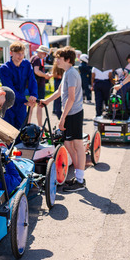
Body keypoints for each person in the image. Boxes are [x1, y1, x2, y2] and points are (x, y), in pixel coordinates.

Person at [40, 47, 87, 192]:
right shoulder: (68, 73)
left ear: (67, 59)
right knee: (67, 143)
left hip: (74, 113)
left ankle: (80, 180)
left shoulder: (72, 73)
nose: (56, 60)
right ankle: (79, 176)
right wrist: (46, 101)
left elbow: (71, 98)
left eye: (58, 58)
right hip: (71, 113)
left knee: (78, 145)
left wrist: (62, 118)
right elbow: (60, 92)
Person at [0, 41, 38, 130]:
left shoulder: (27, 64)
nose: (20, 56)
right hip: (7, 103)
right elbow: (10, 90)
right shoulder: (4, 68)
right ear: (11, 53)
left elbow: (32, 80)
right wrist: (25, 100)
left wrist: (34, 95)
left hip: (21, 105)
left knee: (21, 131)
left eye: (22, 53)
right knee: (8, 132)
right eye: (17, 53)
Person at [30, 45, 52, 127]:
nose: (45, 56)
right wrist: (45, 76)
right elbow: (37, 71)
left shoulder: (33, 58)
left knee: (32, 105)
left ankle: (29, 123)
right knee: (39, 104)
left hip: (36, 85)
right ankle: (39, 125)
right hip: (38, 85)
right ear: (41, 52)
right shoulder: (36, 59)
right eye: (45, 54)